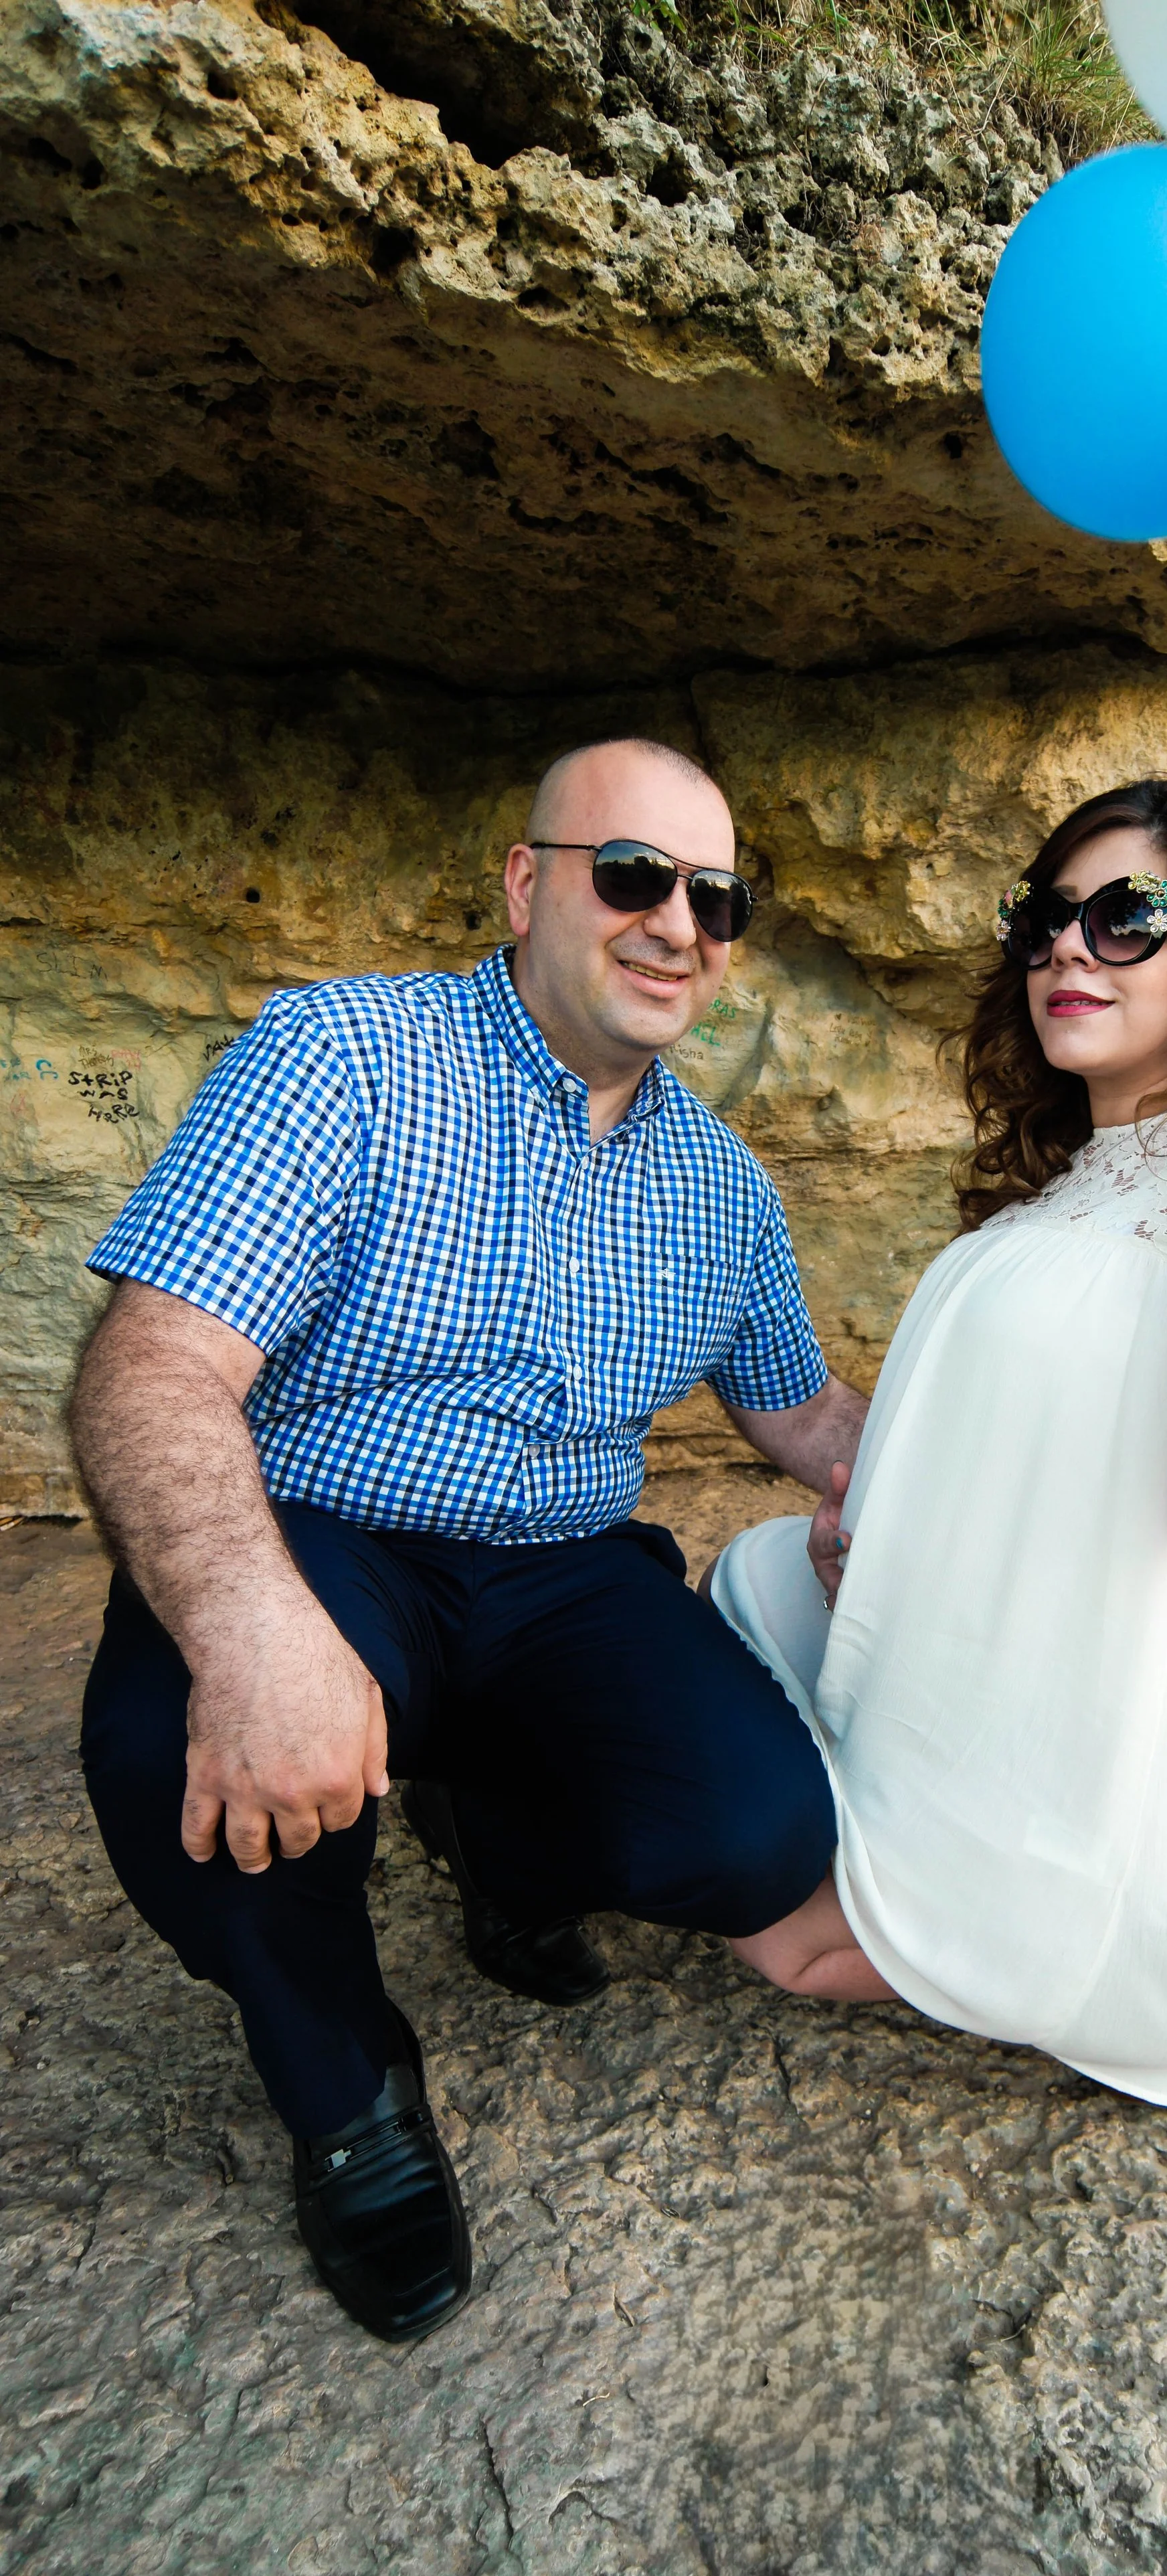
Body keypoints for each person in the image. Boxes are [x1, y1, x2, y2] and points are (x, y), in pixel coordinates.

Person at [71, 738, 866, 2342]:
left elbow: (809, 1421)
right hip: (328, 1537)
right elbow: (153, 1366)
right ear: (525, 885)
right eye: (630, 875)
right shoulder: (342, 1051)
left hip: (565, 1574)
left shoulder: (719, 1184)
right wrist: (248, 1628)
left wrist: (1003, 1505)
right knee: (186, 1763)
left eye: (715, 899)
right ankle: (346, 2082)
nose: (676, 925)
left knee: (754, 1838)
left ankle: (493, 1848)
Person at [711, 777, 1167, 2115]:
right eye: (1042, 916)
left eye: (1126, 916)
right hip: (960, 1663)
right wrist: (886, 1529)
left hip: (1102, 1742)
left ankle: (1079, 1933)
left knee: (776, 1932)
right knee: (743, 1589)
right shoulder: (1059, 1187)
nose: (1067, 948)